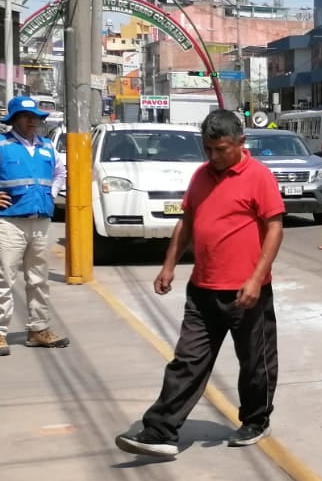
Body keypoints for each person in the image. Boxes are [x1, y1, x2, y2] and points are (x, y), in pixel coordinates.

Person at [116, 110, 286, 459]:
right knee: (187, 360)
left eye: (220, 149)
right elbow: (187, 222)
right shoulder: (201, 176)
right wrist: (168, 266)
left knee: (255, 363)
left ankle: (256, 419)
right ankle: (159, 431)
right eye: (207, 149)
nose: (213, 156)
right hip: (203, 288)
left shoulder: (259, 177)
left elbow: (274, 228)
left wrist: (256, 279)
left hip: (246, 292)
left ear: (240, 143)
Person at [0, 96, 69, 356]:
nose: (31, 121)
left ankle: (39, 329)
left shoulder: (47, 147)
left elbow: (61, 172)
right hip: (10, 223)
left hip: (40, 222)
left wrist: (52, 192)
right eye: (26, 117)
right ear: (13, 120)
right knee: (4, 279)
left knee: (39, 279)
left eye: (35, 117)